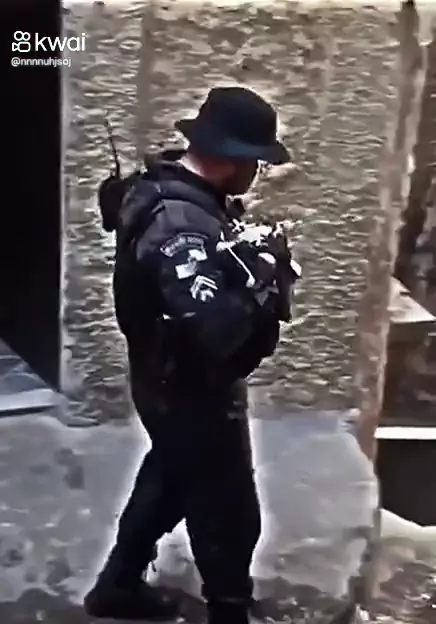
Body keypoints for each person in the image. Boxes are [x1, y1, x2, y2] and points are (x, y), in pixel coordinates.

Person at [84, 86, 292, 624]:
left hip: (168, 378)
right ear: (230, 159)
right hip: (189, 387)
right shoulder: (179, 224)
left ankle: (116, 588)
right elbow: (216, 331)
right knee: (229, 511)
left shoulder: (173, 190)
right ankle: (229, 612)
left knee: (171, 479)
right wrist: (266, 279)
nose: (257, 174)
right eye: (255, 162)